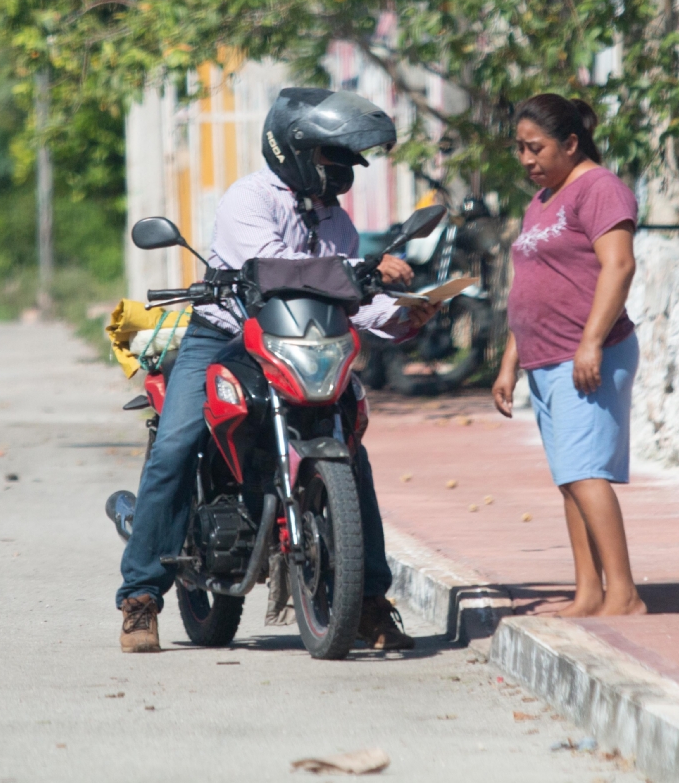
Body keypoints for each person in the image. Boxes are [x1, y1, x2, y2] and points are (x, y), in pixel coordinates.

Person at [118, 87, 440, 653]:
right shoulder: (249, 199)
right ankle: (141, 596)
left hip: (302, 340)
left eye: (348, 160)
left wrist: (405, 317)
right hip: (223, 336)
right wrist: (360, 269)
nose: (343, 170)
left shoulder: (334, 221)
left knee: (349, 447)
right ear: (295, 150)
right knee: (174, 446)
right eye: (331, 157)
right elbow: (274, 268)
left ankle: (366, 601)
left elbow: (353, 300)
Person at [491, 93, 644, 617]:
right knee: (570, 479)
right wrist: (510, 362)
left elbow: (619, 267)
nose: (527, 160)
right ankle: (588, 592)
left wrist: (591, 342)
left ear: (572, 143)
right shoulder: (543, 201)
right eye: (520, 149)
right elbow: (535, 283)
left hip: (587, 355)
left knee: (585, 472)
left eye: (536, 148)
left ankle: (623, 593)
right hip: (544, 358)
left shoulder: (600, 189)